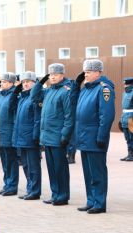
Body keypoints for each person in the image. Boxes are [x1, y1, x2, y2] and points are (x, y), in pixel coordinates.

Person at [72, 59, 115, 214]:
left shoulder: (104, 89)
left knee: (97, 173)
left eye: (89, 72)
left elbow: (107, 115)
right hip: (84, 137)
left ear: (98, 72)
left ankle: (99, 202)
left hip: (95, 138)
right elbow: (73, 103)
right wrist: (76, 86)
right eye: (85, 72)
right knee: (88, 173)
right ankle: (91, 200)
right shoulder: (85, 89)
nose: (86, 74)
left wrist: (102, 137)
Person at [30, 63, 74, 206]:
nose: (52, 77)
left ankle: (63, 195)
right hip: (47, 136)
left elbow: (69, 116)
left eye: (55, 74)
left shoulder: (66, 91)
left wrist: (65, 136)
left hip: (58, 137)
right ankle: (55, 194)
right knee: (51, 168)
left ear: (62, 75)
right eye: (50, 75)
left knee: (60, 168)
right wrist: (40, 82)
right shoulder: (49, 91)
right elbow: (34, 97)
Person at [14, 71, 42, 200]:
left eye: (28, 82)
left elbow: (37, 119)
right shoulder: (22, 98)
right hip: (22, 137)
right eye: (23, 82)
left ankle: (35, 191)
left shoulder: (35, 98)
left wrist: (35, 137)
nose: (25, 84)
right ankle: (30, 189)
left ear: (34, 83)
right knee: (25, 165)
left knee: (33, 166)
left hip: (30, 138)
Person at [0, 73, 19, 196]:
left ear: (12, 83)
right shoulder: (0, 95)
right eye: (1, 81)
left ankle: (12, 186)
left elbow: (14, 117)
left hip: (9, 132)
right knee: (5, 162)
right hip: (0, 133)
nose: (1, 84)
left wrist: (14, 134)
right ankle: (7, 184)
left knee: (11, 161)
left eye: (4, 82)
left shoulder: (14, 96)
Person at [120, 77, 133, 161]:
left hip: (131, 118)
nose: (125, 85)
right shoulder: (124, 93)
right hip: (124, 117)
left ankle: (132, 155)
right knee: (127, 138)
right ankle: (129, 153)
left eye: (126, 84)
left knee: (132, 137)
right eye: (124, 84)